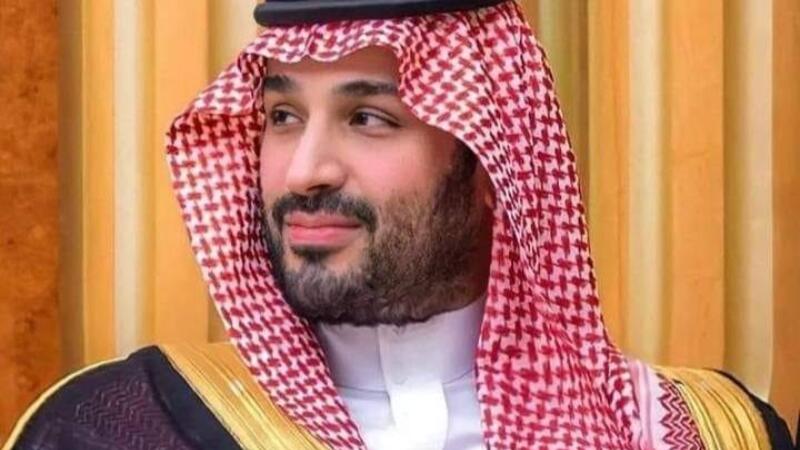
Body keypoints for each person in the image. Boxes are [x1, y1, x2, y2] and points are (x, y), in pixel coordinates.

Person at [3, 1, 794, 449]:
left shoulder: (709, 434)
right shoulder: (112, 431)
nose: (304, 170)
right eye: (282, 117)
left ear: (491, 164)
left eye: (369, 119)